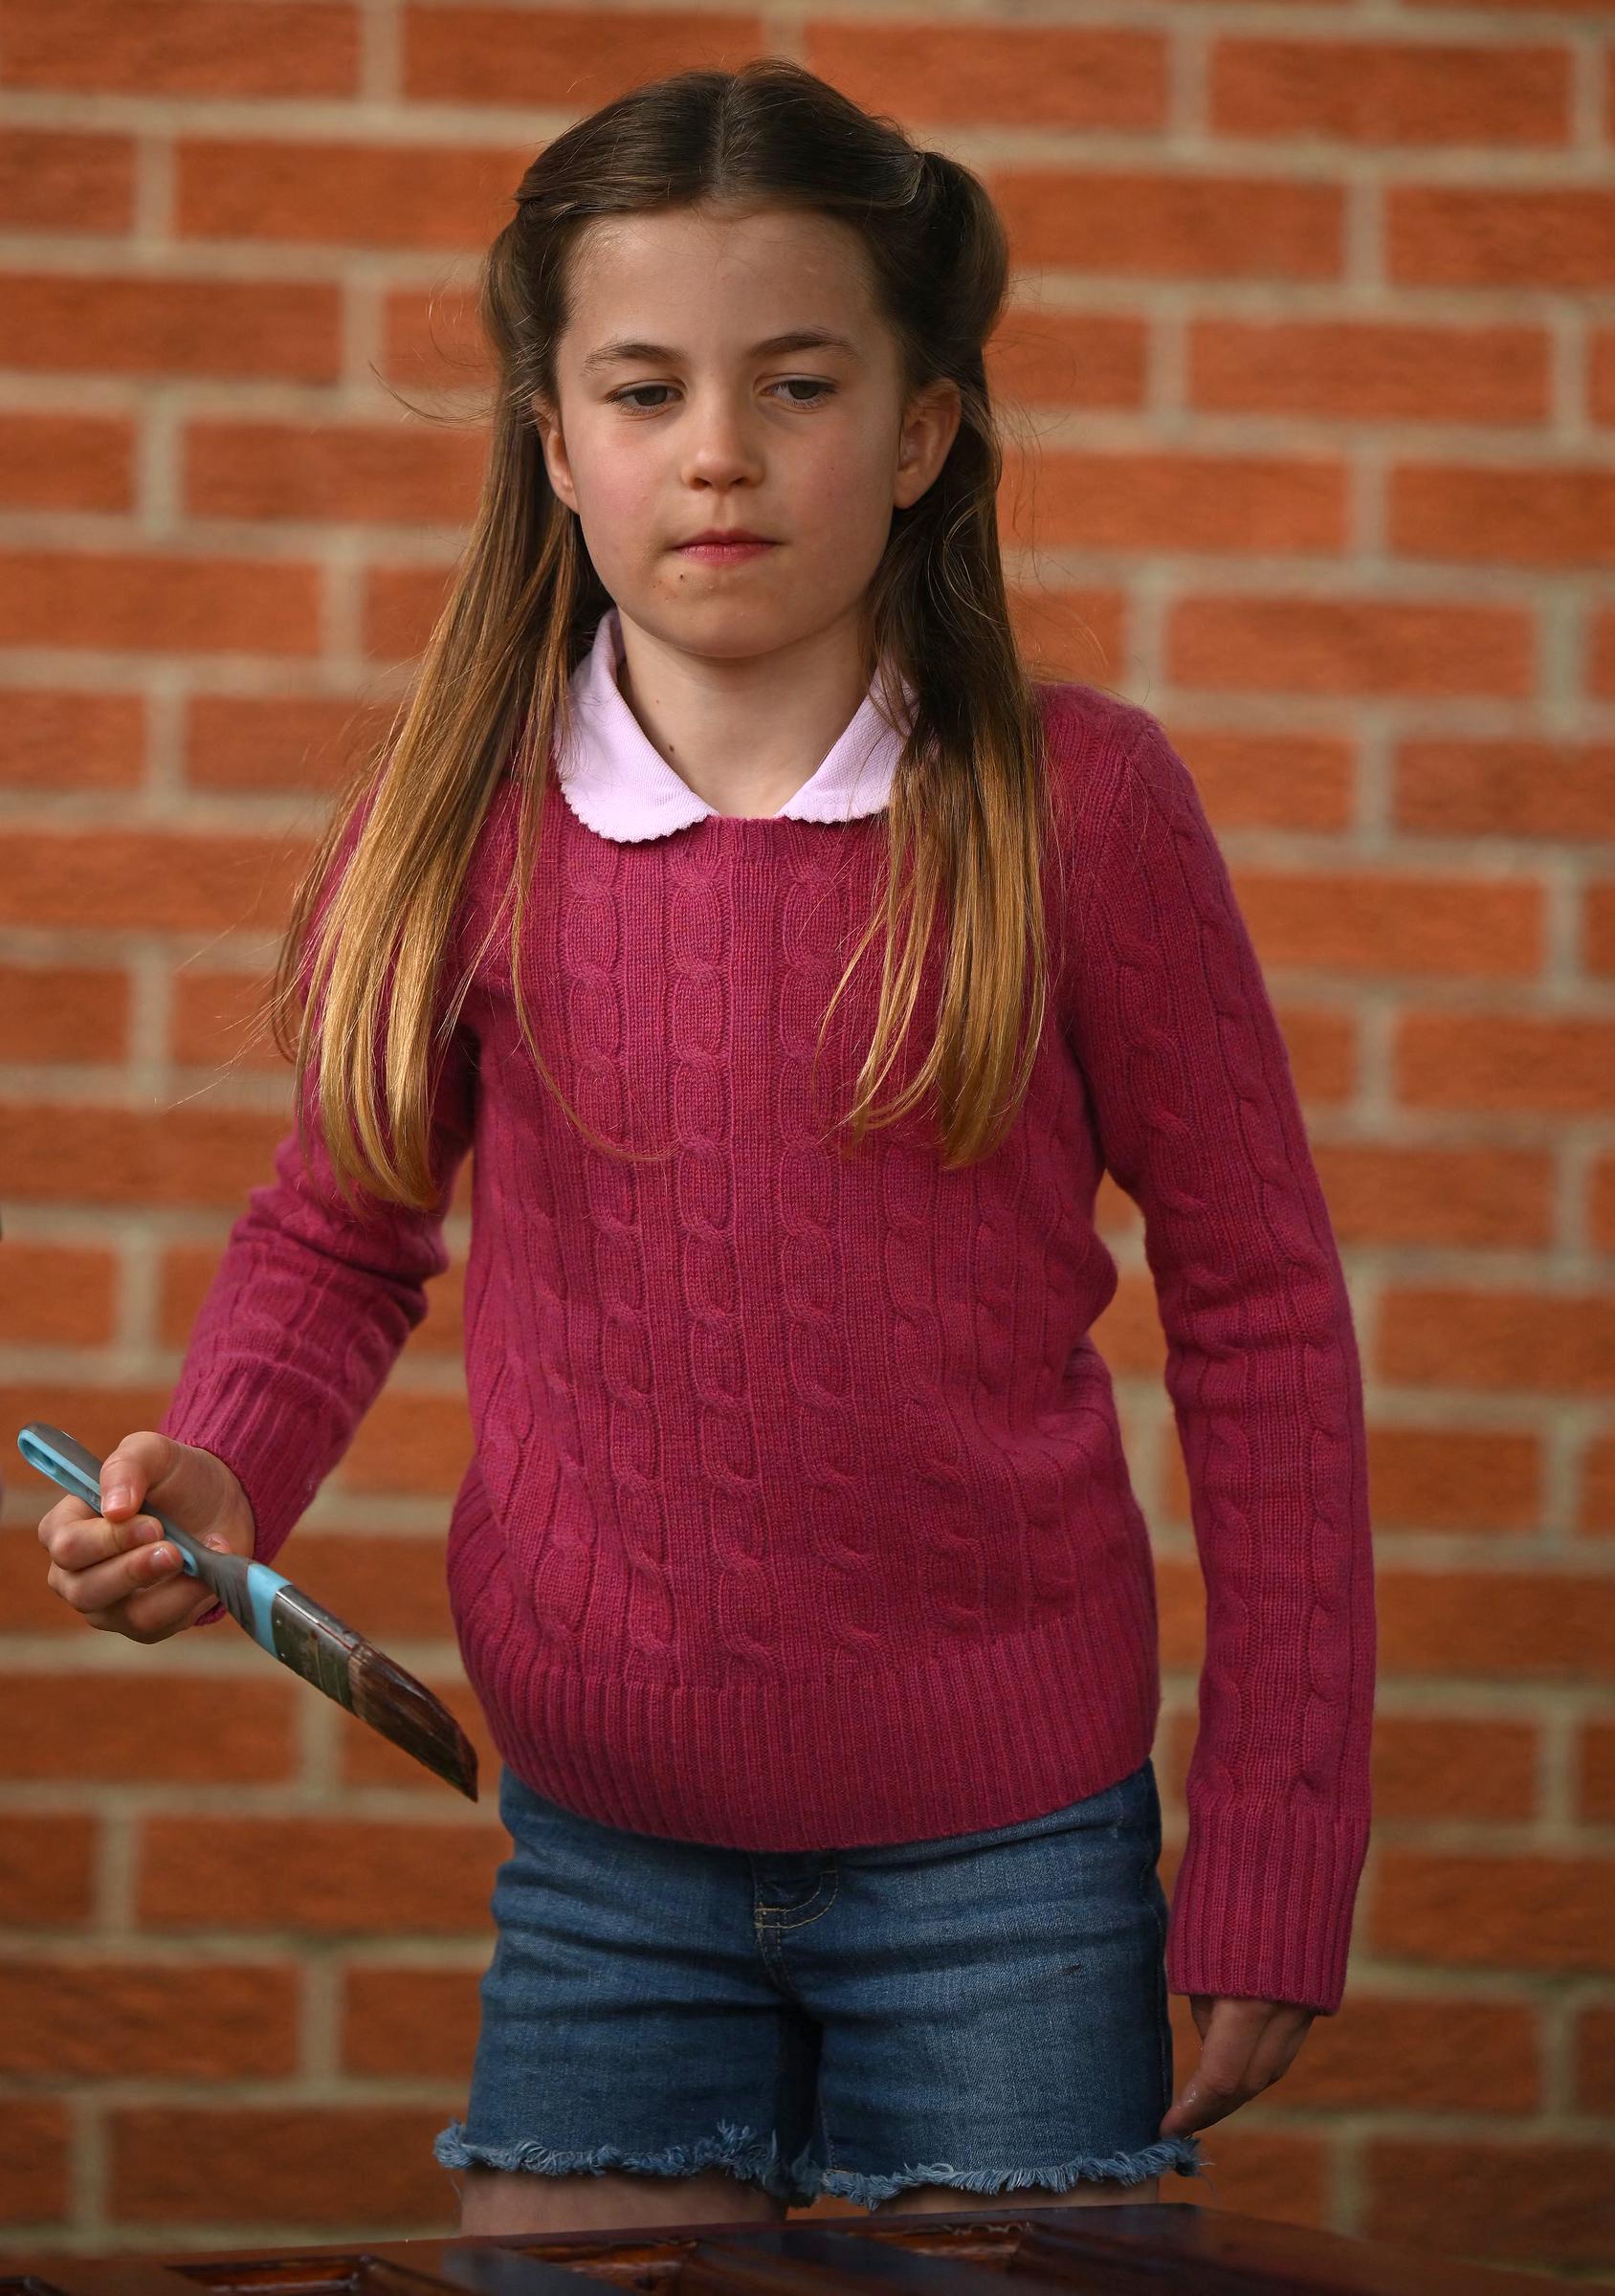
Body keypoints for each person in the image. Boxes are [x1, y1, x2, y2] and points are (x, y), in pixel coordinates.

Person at [35, 57, 1375, 2237]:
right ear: (553, 441)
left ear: (921, 430)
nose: (719, 450)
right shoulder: (455, 830)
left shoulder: (1083, 812)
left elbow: (1263, 1317)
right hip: (602, 1874)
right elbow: (342, 1230)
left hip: (1015, 1874)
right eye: (645, 391)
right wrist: (222, 1470)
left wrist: (1279, 1839)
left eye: (797, 384)